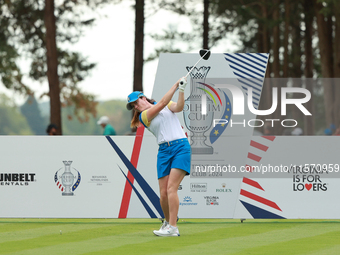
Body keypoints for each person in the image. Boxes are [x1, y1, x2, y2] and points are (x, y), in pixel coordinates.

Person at [126, 77, 191, 237]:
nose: (135, 106)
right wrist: (175, 85)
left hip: (181, 147)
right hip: (163, 151)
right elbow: (162, 103)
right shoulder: (144, 116)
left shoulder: (167, 105)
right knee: (163, 193)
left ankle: (173, 227)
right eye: (133, 106)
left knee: (171, 188)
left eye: (136, 102)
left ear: (143, 97)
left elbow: (179, 107)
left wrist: (181, 91)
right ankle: (167, 222)